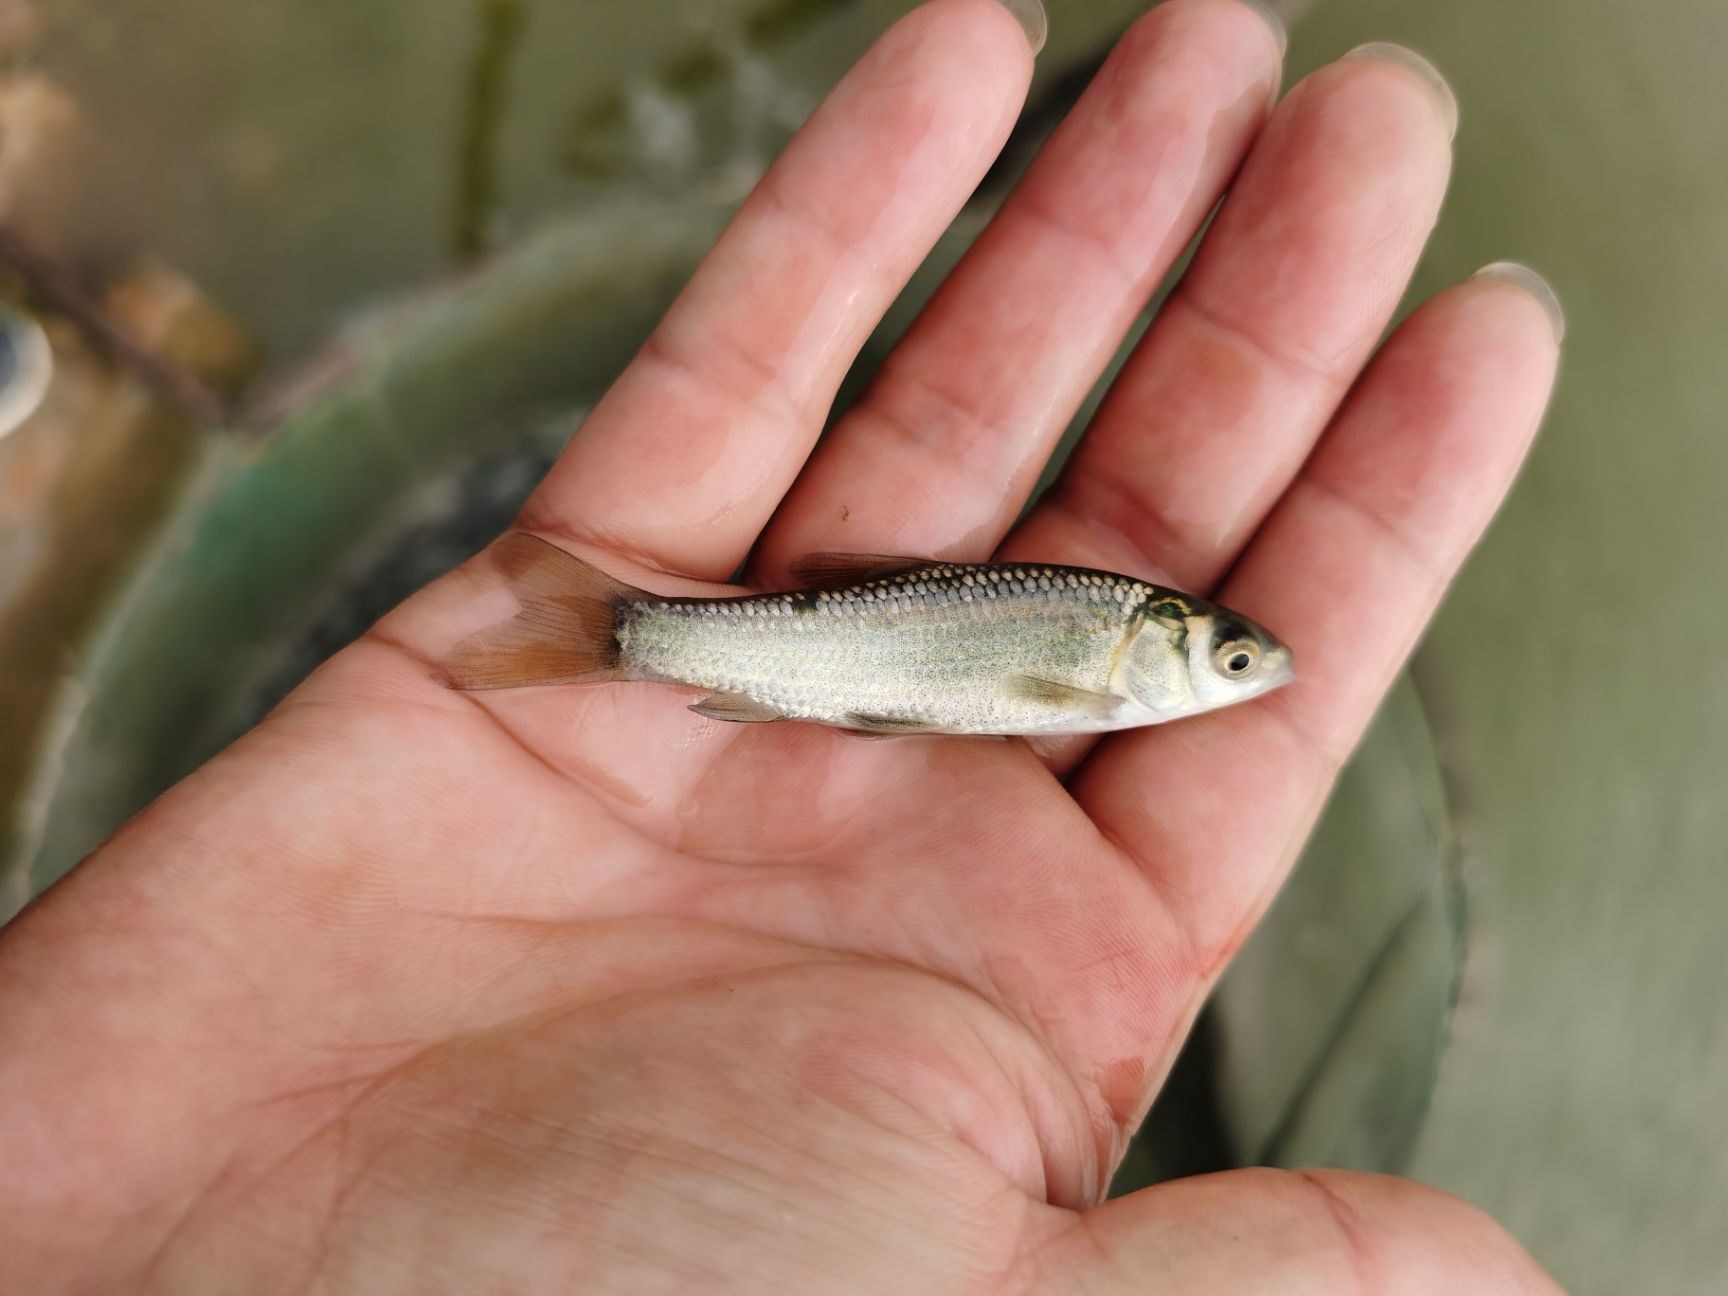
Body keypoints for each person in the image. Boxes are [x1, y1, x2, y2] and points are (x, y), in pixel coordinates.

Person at [0, 0, 1565, 1289]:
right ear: (1157, 642)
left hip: (830, 651)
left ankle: (615, 640)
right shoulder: (1098, 650)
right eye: (1225, 659)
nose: (1235, 673)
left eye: (1223, 662)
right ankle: (613, 640)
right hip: (819, 645)